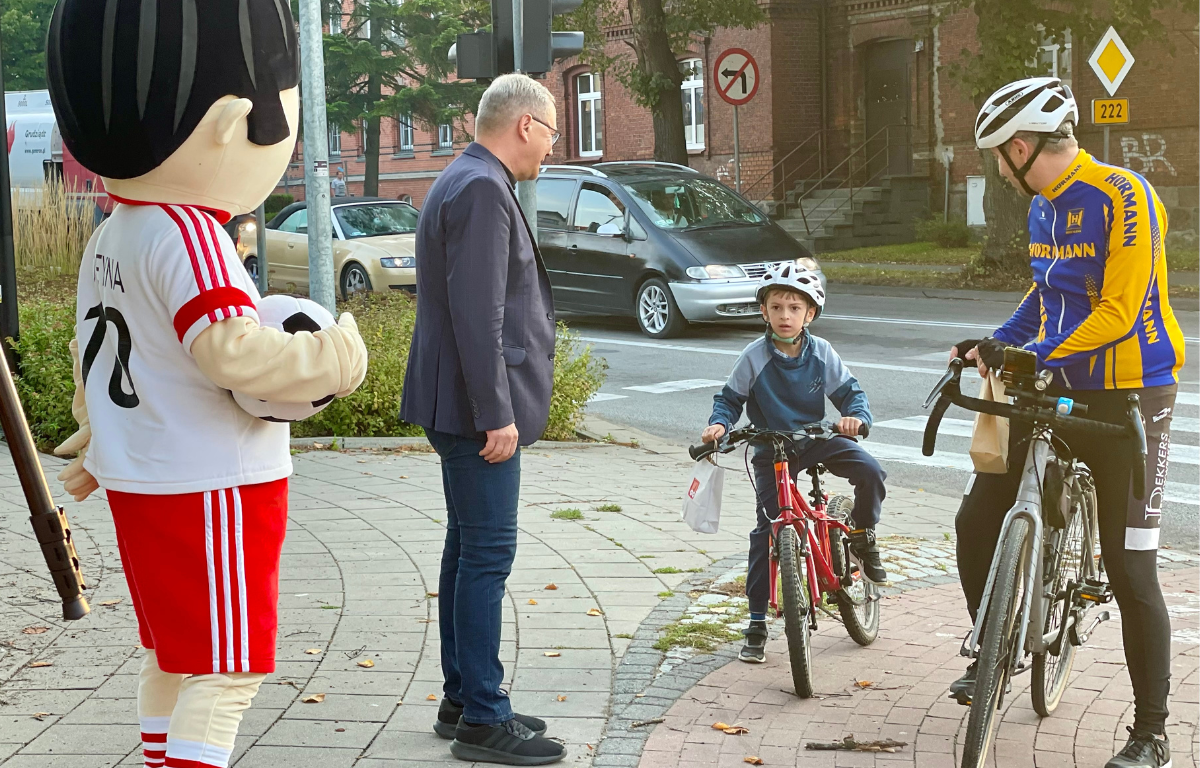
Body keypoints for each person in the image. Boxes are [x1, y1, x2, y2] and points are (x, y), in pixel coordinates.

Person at [45, 2, 369, 767]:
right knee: (228, 669)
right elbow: (231, 350)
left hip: (143, 480)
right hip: (213, 482)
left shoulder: (111, 232)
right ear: (232, 123)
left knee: (174, 655)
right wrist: (337, 358)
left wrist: (98, 438)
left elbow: (91, 354)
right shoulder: (192, 231)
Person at [949, 77, 1185, 768]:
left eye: (998, 154)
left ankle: (1152, 734)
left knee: (1130, 568)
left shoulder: (1124, 195)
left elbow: (1117, 309)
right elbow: (1045, 293)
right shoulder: (1043, 209)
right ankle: (992, 648)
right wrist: (993, 341)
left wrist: (1035, 354)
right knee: (976, 518)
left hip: (1131, 395)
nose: (998, 168)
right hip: (1058, 387)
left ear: (1020, 148)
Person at [399, 74, 561, 766]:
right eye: (552, 133)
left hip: (455, 403)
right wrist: (497, 414)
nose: (551, 150)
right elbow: (478, 314)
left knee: (466, 548)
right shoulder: (483, 191)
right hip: (476, 412)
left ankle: (464, 697)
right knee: (487, 556)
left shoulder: (464, 178)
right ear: (525, 124)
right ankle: (483, 721)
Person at [701, 263, 888, 664]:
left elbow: (851, 394)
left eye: (794, 307)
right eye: (777, 306)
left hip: (816, 439)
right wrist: (719, 424)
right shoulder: (753, 357)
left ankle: (864, 535)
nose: (786, 315)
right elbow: (729, 399)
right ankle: (756, 622)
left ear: (810, 314)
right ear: (764, 312)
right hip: (771, 448)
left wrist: (856, 418)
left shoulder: (822, 353)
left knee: (870, 470)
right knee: (766, 531)